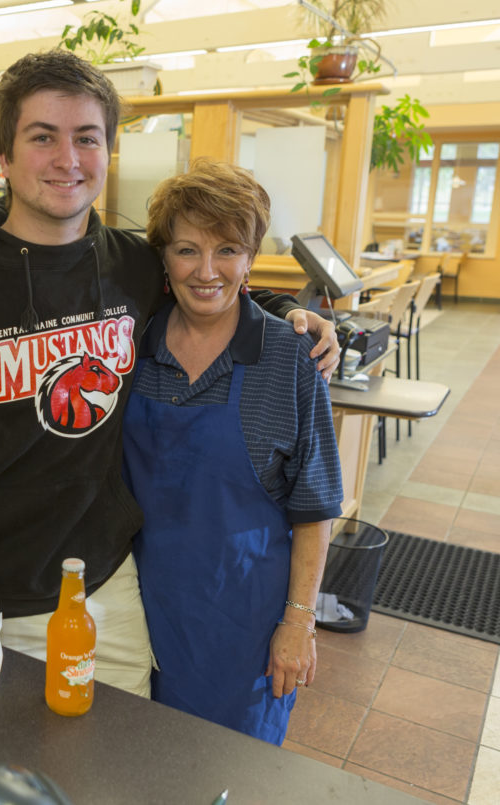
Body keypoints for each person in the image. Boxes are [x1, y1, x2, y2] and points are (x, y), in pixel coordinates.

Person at [0, 50, 340, 696]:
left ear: (108, 152)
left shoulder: (134, 268)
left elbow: (208, 282)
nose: (68, 158)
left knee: (114, 777)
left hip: (105, 591)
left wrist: (288, 314)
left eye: (87, 138)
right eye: (42, 137)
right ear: (4, 157)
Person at [121, 159, 343, 744]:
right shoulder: (131, 346)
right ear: (163, 259)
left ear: (249, 258)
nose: (207, 271)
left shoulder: (290, 356)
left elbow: (315, 502)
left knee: (227, 768)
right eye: (187, 250)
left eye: (227, 250)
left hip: (240, 618)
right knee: (135, 759)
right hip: (133, 603)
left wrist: (299, 621)